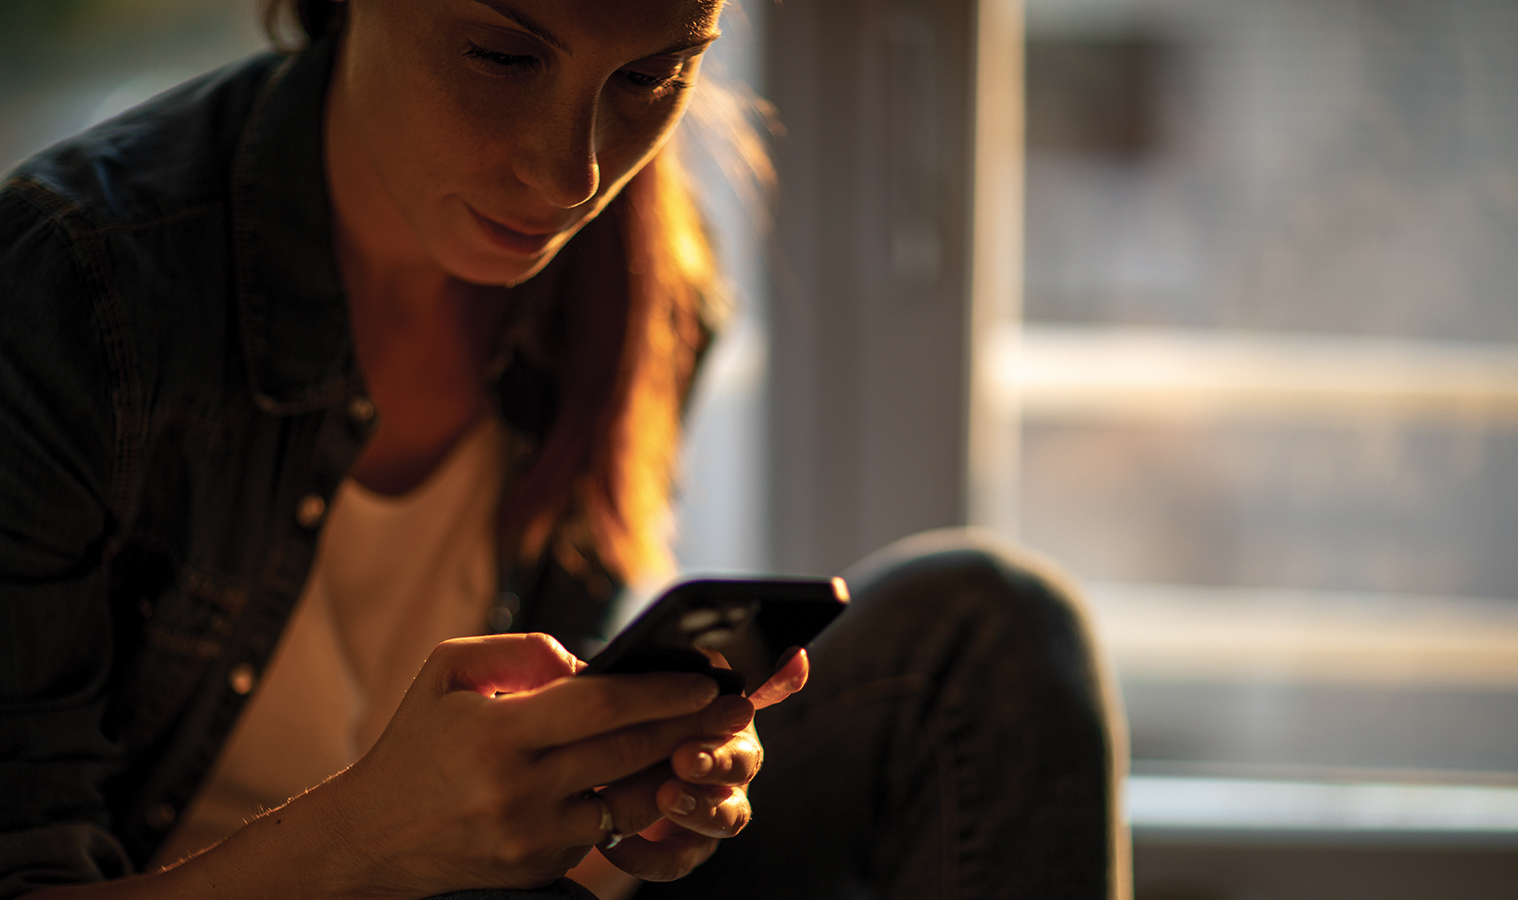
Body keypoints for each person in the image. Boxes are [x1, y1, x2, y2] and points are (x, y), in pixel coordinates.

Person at [0, 0, 1131, 898]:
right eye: (501, 54)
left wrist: (637, 792)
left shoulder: (639, 288)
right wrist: (370, 842)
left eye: (651, 79)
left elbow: (565, 690)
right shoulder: (73, 294)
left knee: (987, 629)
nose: (572, 175)